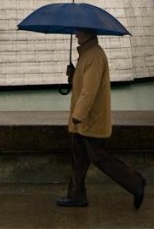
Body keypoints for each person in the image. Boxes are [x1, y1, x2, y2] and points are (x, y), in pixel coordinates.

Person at [56, 29, 146, 210]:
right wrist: (73, 75)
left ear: (88, 33)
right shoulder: (87, 55)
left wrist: (78, 115)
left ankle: (135, 182)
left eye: (79, 31)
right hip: (85, 120)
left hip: (90, 120)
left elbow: (90, 91)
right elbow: (82, 84)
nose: (76, 35)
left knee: (99, 157)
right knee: (79, 158)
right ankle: (76, 195)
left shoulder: (94, 56)